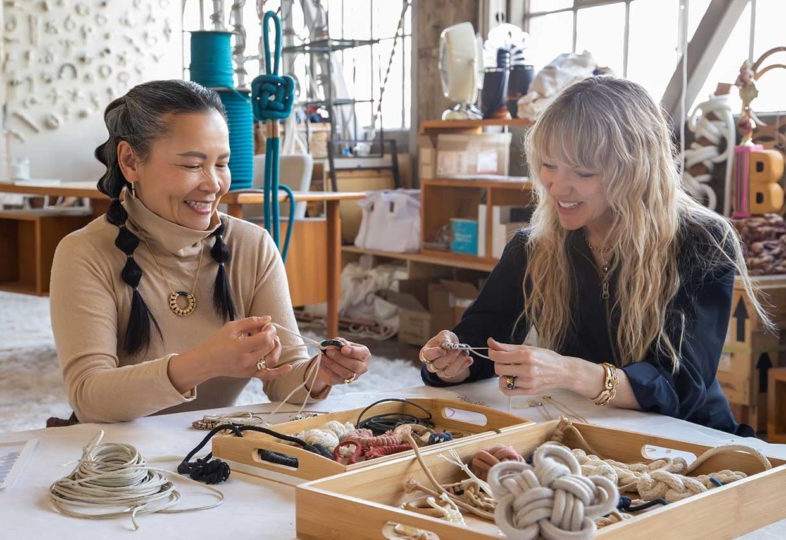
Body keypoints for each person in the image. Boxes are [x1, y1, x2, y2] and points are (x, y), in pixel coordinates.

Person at [419, 76, 769, 436]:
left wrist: (568, 372)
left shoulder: (700, 241)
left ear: (635, 172)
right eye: (549, 165)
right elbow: (478, 341)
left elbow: (682, 386)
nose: (557, 186)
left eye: (583, 172)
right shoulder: (533, 248)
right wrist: (450, 364)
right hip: (589, 435)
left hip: (692, 439)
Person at [50, 80, 371, 423]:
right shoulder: (84, 252)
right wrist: (203, 362)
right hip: (117, 462)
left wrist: (321, 372)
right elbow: (89, 397)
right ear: (130, 161)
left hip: (206, 449)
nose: (214, 183)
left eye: (221, 163)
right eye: (191, 165)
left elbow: (285, 377)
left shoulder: (252, 245)